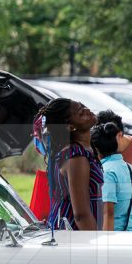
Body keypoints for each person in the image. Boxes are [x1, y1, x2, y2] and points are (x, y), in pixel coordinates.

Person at [35, 98, 102, 231]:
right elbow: (81, 215)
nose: (87, 110)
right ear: (70, 127)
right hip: (75, 237)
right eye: (80, 112)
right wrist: (97, 245)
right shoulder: (75, 156)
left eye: (84, 106)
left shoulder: (84, 151)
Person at [90, 122, 132, 232]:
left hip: (120, 240)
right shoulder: (131, 169)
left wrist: (106, 246)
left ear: (95, 149)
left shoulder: (106, 172)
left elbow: (108, 213)